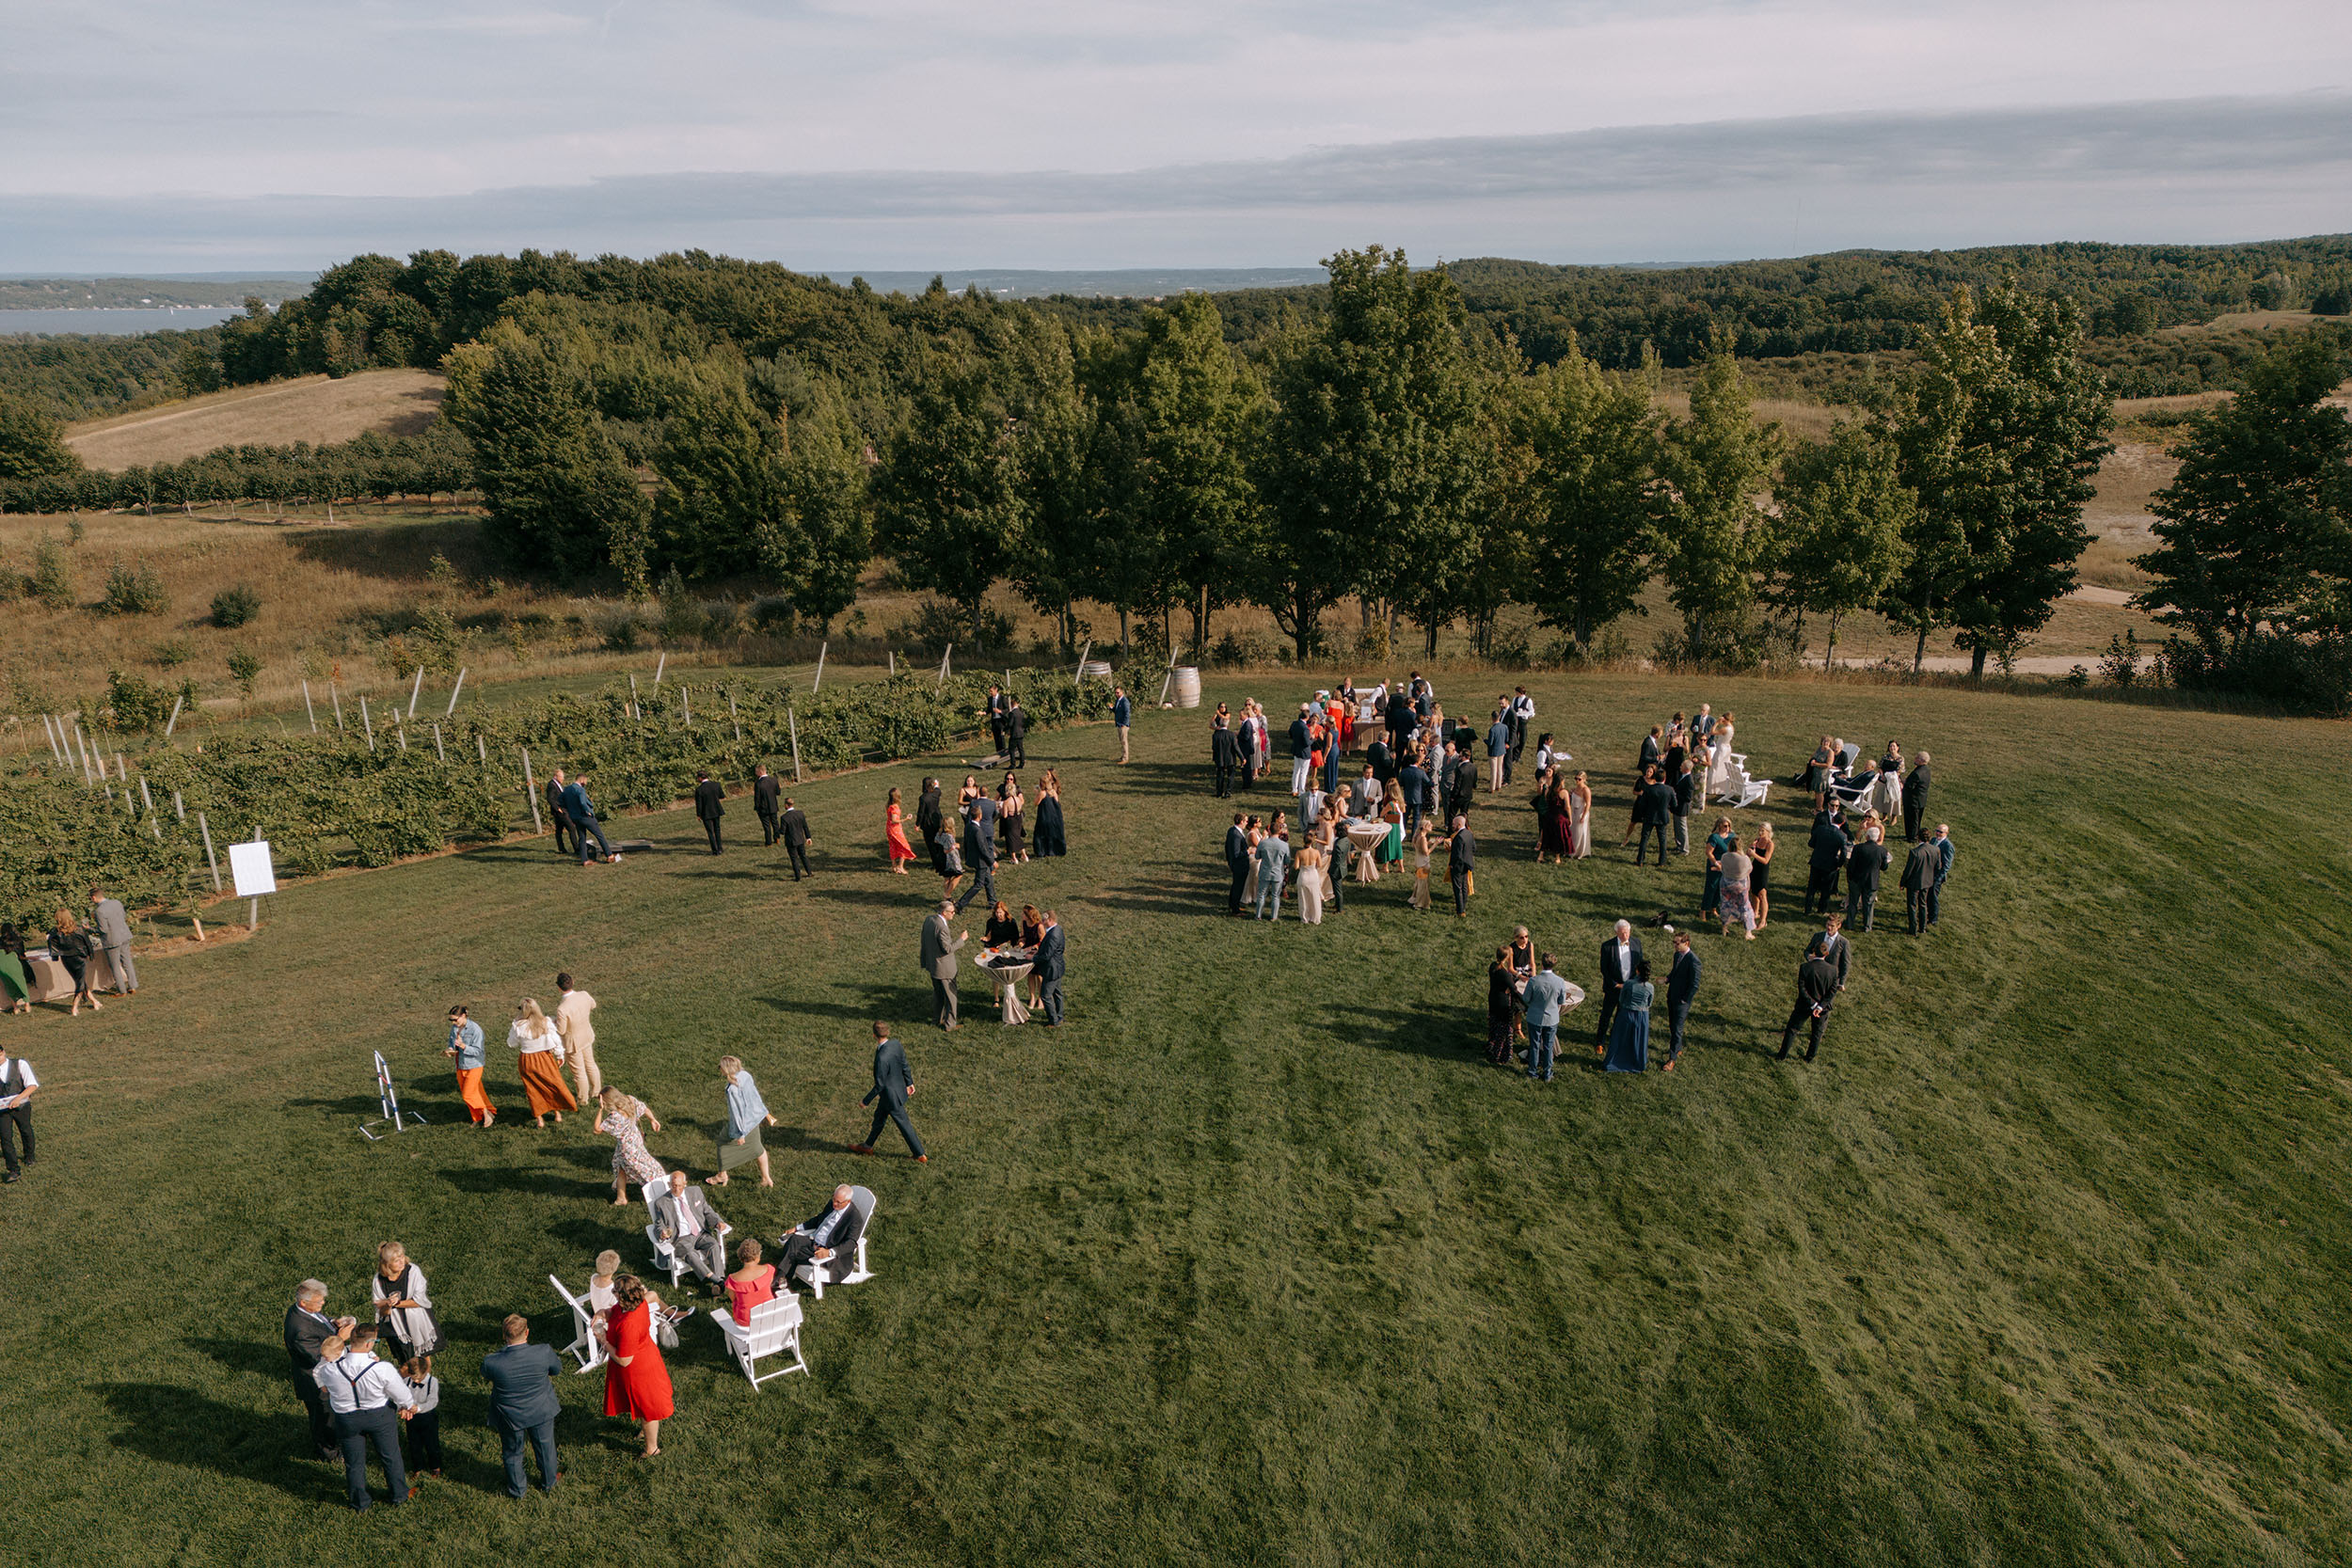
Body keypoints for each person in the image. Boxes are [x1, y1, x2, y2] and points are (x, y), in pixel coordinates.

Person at [313, 1324, 416, 1510]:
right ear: (369, 1344)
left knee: (354, 1463)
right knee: (390, 1456)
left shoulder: (329, 1369)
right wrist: (409, 1405)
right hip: (379, 1417)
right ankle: (399, 1495)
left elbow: (321, 1381)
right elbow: (400, 1392)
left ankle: (359, 1502)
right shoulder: (382, 1368)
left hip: (347, 1419)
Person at [482, 1314, 562, 1497]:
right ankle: (549, 1482)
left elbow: (486, 1375)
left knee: (512, 1452)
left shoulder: (492, 1361)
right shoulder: (543, 1352)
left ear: (504, 1335)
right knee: (545, 1447)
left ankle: (517, 1490)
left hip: (509, 1415)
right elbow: (556, 1369)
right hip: (541, 1409)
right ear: (527, 1332)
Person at [598, 1275, 675, 1459]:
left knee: (647, 1409)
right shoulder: (637, 1303)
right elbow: (615, 1311)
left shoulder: (629, 1324)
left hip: (639, 1371)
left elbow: (624, 1360)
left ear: (623, 1296)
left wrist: (603, 1340)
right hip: (645, 1358)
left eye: (615, 1290)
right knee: (641, 1405)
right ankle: (645, 1432)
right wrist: (602, 1312)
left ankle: (652, 1448)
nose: (612, 1292)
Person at [284, 1279, 353, 1460]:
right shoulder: (300, 1330)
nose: (322, 1303)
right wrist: (340, 1338)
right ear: (303, 1302)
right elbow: (320, 1356)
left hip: (322, 1376)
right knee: (324, 1417)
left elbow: (319, 1323)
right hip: (315, 1382)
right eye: (319, 1301)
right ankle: (329, 1453)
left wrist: (333, 1323)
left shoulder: (303, 1312)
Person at [651, 1168, 733, 1293]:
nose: (676, 1189)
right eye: (673, 1186)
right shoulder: (661, 1203)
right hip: (680, 1239)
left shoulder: (695, 1192)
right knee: (690, 1253)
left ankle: (718, 1282)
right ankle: (717, 1281)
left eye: (679, 1186)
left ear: (685, 1184)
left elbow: (707, 1210)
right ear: (669, 1185)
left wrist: (718, 1222)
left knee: (713, 1245)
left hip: (700, 1234)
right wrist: (662, 1233)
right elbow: (658, 1225)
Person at [852, 1021, 925, 1160]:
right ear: (888, 1032)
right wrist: (909, 1082)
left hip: (891, 1097)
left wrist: (865, 1101)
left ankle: (919, 1154)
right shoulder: (896, 1044)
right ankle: (867, 1146)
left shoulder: (881, 1058)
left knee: (904, 1124)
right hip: (894, 1092)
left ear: (874, 1035)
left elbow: (879, 1085)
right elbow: (904, 1063)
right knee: (879, 1118)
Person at [777, 1183, 866, 1290]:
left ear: (848, 1202)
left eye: (838, 1202)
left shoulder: (855, 1219)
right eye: (834, 1199)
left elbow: (851, 1243)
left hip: (828, 1251)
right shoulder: (832, 1204)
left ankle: (780, 1281)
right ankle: (781, 1279)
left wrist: (829, 1252)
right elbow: (819, 1219)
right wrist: (797, 1228)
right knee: (794, 1239)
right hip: (814, 1241)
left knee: (793, 1252)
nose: (834, 1204)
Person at [371, 1241, 441, 1371]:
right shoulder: (378, 1281)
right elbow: (382, 1313)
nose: (401, 1262)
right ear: (387, 1264)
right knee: (405, 1361)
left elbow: (420, 1301)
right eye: (396, 1260)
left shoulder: (413, 1271)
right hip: (397, 1327)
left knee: (424, 1355)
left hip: (417, 1318)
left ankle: (425, 1378)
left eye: (402, 1257)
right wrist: (387, 1304)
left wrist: (397, 1303)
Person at [508, 998, 576, 1128]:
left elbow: (512, 1043)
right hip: (544, 1058)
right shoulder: (546, 1022)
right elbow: (555, 1041)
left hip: (527, 1060)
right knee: (553, 1085)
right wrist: (560, 1055)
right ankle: (557, 1114)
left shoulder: (518, 1026)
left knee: (532, 1089)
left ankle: (540, 1119)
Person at [715, 1054, 778, 1187]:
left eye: (720, 1067)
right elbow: (754, 1095)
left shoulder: (732, 1089)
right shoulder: (745, 1075)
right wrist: (764, 1112)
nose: (719, 1069)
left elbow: (737, 1112)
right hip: (754, 1119)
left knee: (722, 1141)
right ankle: (766, 1178)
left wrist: (740, 1133)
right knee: (758, 1149)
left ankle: (722, 1175)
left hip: (743, 1125)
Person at [596, 1086, 667, 1204]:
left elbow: (597, 1129)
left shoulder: (615, 1116)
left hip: (627, 1147)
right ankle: (621, 1197)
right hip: (635, 1139)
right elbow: (644, 1109)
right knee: (621, 1168)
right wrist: (653, 1120)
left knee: (644, 1168)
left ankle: (661, 1187)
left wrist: (600, 1110)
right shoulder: (630, 1100)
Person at [1780, 954, 1840, 1062]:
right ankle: (1809, 1058)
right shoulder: (1833, 970)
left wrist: (1813, 1004)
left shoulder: (1805, 967)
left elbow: (1802, 988)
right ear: (1826, 954)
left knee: (1792, 1029)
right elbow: (1832, 991)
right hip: (1823, 1009)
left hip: (1804, 1005)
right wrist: (1821, 1006)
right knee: (1817, 1033)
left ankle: (1782, 1055)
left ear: (1815, 953)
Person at [1593, 920, 1643, 1052]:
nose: (1625, 936)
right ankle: (1600, 1041)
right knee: (1606, 1015)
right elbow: (1604, 969)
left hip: (1629, 988)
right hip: (1613, 988)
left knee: (1622, 1015)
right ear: (1616, 933)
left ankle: (1616, 1038)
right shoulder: (1607, 947)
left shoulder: (1637, 943)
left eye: (1627, 933)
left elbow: (1639, 965)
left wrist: (1633, 984)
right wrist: (1615, 984)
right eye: (1622, 934)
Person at [1522, 953, 1572, 1082]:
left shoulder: (1534, 981)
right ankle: (1547, 1073)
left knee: (1534, 1045)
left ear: (1542, 964)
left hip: (1534, 1017)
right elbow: (1561, 1000)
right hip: (1551, 1019)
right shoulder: (1560, 982)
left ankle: (1532, 1071)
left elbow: (1526, 999)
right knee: (1548, 1046)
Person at [444, 1005, 494, 1128]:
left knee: (468, 1094)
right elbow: (452, 1043)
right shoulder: (455, 1028)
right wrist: (450, 1049)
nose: (453, 1023)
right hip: (460, 1065)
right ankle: (477, 1117)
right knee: (477, 1092)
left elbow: (478, 1051)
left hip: (474, 1065)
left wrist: (463, 1046)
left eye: (455, 1019)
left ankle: (486, 1113)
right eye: (451, 1020)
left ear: (463, 1016)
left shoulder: (475, 1030)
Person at [555, 974, 602, 1103]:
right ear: (573, 982)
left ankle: (583, 1099)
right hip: (586, 1035)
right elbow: (593, 1005)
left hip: (573, 1043)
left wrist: (553, 1022)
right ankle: (596, 1092)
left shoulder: (562, 1009)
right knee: (591, 1064)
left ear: (559, 988)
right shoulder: (584, 995)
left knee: (579, 1072)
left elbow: (561, 1030)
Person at [920, 901, 967, 1030]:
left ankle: (936, 1020)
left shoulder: (929, 920)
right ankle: (950, 1025)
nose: (954, 914)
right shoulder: (942, 927)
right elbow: (947, 948)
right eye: (952, 912)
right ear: (944, 913)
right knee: (951, 997)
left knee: (938, 995)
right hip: (944, 969)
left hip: (933, 966)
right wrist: (961, 940)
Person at [45, 910, 101, 1014]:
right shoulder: (78, 929)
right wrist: (91, 955)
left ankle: (94, 1001)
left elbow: (52, 945)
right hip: (80, 958)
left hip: (66, 959)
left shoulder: (55, 932)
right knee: (80, 982)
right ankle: (74, 1007)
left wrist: (55, 957)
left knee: (80, 981)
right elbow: (87, 943)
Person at [1603, 957, 1653, 1073]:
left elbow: (1622, 999)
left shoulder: (1629, 984)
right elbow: (1649, 1003)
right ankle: (1637, 1062)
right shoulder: (1650, 987)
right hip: (1642, 1015)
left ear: (1637, 971)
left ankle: (1614, 1061)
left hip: (1626, 1013)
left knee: (1620, 1038)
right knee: (1638, 1039)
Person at [88, 886, 137, 995]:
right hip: (124, 935)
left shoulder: (99, 911)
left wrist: (89, 929)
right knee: (127, 962)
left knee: (115, 966)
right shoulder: (117, 902)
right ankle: (133, 986)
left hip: (112, 940)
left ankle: (121, 990)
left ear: (94, 898)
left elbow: (103, 930)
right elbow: (123, 916)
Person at [957, 788, 999, 913]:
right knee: (979, 884)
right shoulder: (978, 831)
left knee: (988, 880)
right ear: (980, 816)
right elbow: (984, 849)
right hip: (981, 861)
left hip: (975, 858)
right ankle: (960, 904)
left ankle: (993, 902)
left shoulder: (969, 827)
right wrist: (992, 862)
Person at [562, 773, 619, 865]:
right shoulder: (580, 789)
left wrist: (570, 810)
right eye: (586, 781)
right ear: (582, 780)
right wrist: (587, 811)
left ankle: (584, 860)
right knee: (599, 835)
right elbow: (582, 802)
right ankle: (609, 855)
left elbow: (561, 801)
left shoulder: (567, 789)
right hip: (585, 817)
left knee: (582, 838)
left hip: (575, 818)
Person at [401, 1355, 442, 1479]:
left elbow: (433, 1401)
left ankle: (435, 1467)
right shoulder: (407, 1381)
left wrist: (418, 1408)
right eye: (413, 1378)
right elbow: (400, 1396)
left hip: (428, 1417)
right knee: (414, 1443)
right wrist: (402, 1407)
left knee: (432, 1443)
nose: (416, 1381)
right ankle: (418, 1467)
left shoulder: (433, 1382)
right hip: (412, 1418)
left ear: (425, 1372)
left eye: (418, 1379)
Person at [1663, 932, 1701, 1070]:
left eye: (1678, 943)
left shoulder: (1694, 961)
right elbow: (1675, 972)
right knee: (1672, 1026)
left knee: (1677, 1029)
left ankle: (1672, 1059)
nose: (1675, 945)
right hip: (1672, 996)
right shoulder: (1677, 955)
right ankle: (1677, 1048)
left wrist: (1685, 1000)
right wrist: (1667, 979)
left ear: (1687, 943)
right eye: (1674, 942)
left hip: (1682, 1001)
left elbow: (1695, 984)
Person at [0, 1042, 35, 1184]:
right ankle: (13, 1170)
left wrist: (18, 1099)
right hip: (2, 1110)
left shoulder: (20, 1064)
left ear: (2, 1052)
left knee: (25, 1130)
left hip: (21, 1106)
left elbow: (32, 1085)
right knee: (5, 1137)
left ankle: (29, 1156)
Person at [1845, 823, 1890, 932]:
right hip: (1872, 881)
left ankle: (1850, 924)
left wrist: (1850, 877)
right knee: (1869, 906)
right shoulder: (1882, 851)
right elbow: (1884, 867)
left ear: (1867, 837)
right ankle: (1867, 926)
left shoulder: (1858, 848)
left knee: (1853, 903)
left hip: (1856, 880)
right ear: (1877, 838)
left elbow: (1851, 865)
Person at [1805, 808, 1849, 916]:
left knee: (1812, 888)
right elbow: (1843, 855)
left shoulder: (1820, 829)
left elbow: (1811, 843)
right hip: (1831, 865)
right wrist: (1839, 865)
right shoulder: (1842, 836)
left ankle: (1807, 909)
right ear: (1842, 823)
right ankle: (1822, 910)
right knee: (1826, 889)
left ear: (1833, 819)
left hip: (1816, 861)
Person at [724, 1238, 778, 1324]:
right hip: (769, 1314)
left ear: (740, 1257)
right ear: (757, 1256)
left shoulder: (733, 1279)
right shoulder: (769, 1270)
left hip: (745, 1320)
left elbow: (732, 1298)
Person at [1901, 833, 1943, 936]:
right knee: (1923, 904)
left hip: (1914, 883)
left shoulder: (1915, 852)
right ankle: (1922, 928)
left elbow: (1908, 870)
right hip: (1927, 881)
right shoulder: (1936, 849)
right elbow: (1938, 867)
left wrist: (1902, 882)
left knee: (1912, 905)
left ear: (1919, 838)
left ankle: (1913, 929)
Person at [1485, 947, 1518, 1067]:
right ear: (1507, 957)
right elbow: (1514, 990)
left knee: (1494, 1024)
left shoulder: (1493, 966)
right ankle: (1500, 1054)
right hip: (1503, 1003)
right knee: (1504, 1029)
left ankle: (1491, 1046)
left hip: (1493, 999)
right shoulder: (1505, 974)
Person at [1254, 816, 1292, 921]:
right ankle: (1273, 916)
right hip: (1278, 873)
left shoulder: (1263, 843)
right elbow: (1287, 861)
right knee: (1275, 896)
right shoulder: (1284, 845)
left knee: (1261, 894)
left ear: (1269, 831)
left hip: (1265, 872)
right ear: (1279, 831)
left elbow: (1257, 856)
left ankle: (1258, 915)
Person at [1033, 910, 1066, 1024]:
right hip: (1057, 968)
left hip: (1051, 970)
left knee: (1045, 996)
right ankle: (1059, 1016)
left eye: (1044, 920)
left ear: (1050, 920)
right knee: (1057, 994)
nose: (1041, 922)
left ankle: (1054, 1021)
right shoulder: (1058, 930)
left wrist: (1032, 958)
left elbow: (1047, 956)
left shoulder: (1053, 935)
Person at [1720, 835, 1756, 940]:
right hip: (1740, 886)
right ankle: (1748, 932)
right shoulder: (1744, 859)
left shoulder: (1724, 856)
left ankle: (1724, 927)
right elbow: (1749, 870)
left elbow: (1723, 868)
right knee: (1745, 907)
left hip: (1726, 885)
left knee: (1725, 905)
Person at [1807, 911, 1852, 991]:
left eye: (1832, 926)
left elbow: (1846, 964)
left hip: (1831, 980)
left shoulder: (1844, 943)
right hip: (1815, 976)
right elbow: (1807, 951)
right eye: (1828, 924)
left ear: (1839, 926)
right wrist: (1809, 956)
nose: (1829, 928)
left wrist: (1841, 983)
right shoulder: (1818, 936)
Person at [1700, 817, 1732, 923]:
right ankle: (1703, 911)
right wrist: (1716, 863)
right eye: (1725, 826)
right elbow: (1709, 852)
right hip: (1715, 866)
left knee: (1720, 888)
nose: (1727, 828)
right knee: (1711, 888)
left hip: (1726, 867)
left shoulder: (1732, 836)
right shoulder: (1714, 837)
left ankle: (1713, 908)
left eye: (1729, 826)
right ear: (1719, 826)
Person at [916, 778, 946, 877]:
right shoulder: (936, 793)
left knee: (931, 844)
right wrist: (937, 784)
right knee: (939, 842)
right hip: (937, 819)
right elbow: (938, 788)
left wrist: (917, 824)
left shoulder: (923, 798)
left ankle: (936, 864)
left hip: (928, 823)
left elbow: (921, 813)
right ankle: (942, 861)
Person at [1749, 823, 1776, 930]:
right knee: (1754, 892)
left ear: (1768, 832)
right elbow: (1749, 853)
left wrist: (1754, 854)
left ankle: (1763, 921)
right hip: (1754, 868)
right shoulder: (1757, 840)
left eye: (1762, 831)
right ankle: (1756, 912)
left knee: (1762, 894)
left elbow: (1765, 860)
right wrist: (1752, 848)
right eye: (1759, 830)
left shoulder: (1770, 844)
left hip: (1763, 871)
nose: (1760, 833)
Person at [1033, 770, 1068, 857]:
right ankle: (1053, 850)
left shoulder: (1042, 793)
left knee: (1040, 834)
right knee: (1051, 834)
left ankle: (1041, 851)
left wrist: (1037, 793)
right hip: (1054, 817)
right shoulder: (1053, 792)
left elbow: (1035, 803)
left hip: (1044, 817)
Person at [1223, 814, 1251, 916]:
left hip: (1236, 864)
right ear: (1241, 821)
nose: (1247, 823)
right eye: (1246, 821)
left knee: (1236, 885)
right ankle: (1235, 909)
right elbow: (1236, 853)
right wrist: (1248, 851)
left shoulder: (1232, 830)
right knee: (1238, 887)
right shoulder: (1236, 834)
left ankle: (1233, 905)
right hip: (1239, 865)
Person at [779, 796, 814, 880]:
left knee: (794, 859)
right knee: (803, 856)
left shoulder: (784, 817)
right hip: (800, 839)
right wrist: (808, 837)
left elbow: (782, 832)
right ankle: (809, 872)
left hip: (791, 841)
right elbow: (805, 826)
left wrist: (777, 831)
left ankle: (798, 877)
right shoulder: (800, 813)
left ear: (787, 805)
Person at [1448, 815, 1475, 917]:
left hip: (1458, 866)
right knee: (1464, 886)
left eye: (1454, 824)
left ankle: (1460, 911)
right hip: (1467, 864)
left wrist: (1452, 865)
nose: (1452, 826)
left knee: (1457, 887)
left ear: (1459, 825)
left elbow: (1457, 855)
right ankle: (1463, 906)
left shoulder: (1458, 837)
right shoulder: (1469, 833)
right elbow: (1474, 848)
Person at [998, 771, 1027, 865]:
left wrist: (1001, 809)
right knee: (1018, 837)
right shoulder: (1018, 799)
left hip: (1010, 821)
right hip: (1018, 818)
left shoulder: (1007, 802)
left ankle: (1014, 858)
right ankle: (1024, 855)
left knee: (1011, 839)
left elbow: (1005, 815)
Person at [0, 922, 29, 1013]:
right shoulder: (17, 940)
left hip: (2, 965)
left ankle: (15, 1008)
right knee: (21, 983)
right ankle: (27, 1005)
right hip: (14, 963)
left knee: (8, 985)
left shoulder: (1, 940)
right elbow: (21, 956)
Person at [545, 768, 576, 856]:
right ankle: (576, 848)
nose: (563, 778)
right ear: (556, 776)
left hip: (561, 810)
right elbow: (550, 798)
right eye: (561, 777)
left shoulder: (557, 784)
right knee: (571, 828)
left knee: (559, 830)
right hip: (560, 812)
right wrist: (557, 808)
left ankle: (561, 849)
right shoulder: (552, 785)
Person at [1903, 752, 1933, 842]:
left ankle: (1912, 837)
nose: (1915, 759)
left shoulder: (1917, 773)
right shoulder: (1926, 770)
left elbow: (1910, 786)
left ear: (1922, 760)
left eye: (1917, 758)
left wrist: (1904, 782)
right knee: (1917, 819)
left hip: (1912, 800)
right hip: (1921, 799)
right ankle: (1915, 834)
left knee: (1911, 819)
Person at [1929, 823, 1954, 926]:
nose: (1938, 833)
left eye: (1941, 832)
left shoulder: (1948, 846)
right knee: (1927, 895)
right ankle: (1927, 913)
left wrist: (1939, 878)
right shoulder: (1933, 840)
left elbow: (1947, 865)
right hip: (1929, 873)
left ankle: (1933, 918)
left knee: (1933, 896)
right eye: (1937, 831)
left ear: (1946, 833)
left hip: (1937, 876)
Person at [1295, 840, 1326, 925]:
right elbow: (1319, 865)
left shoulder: (1299, 852)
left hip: (1303, 876)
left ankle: (1305, 917)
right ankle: (1315, 917)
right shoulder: (1316, 852)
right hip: (1313, 876)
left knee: (1303, 898)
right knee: (1315, 897)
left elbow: (1296, 866)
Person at [753, 763, 783, 846]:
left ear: (760, 772)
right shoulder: (774, 780)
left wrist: (757, 807)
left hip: (763, 807)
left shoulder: (758, 784)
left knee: (766, 826)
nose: (756, 774)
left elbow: (757, 798)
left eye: (756, 772)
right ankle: (777, 838)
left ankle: (768, 842)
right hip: (773, 805)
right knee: (775, 823)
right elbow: (778, 792)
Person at [1567, 770, 1594, 860]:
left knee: (1579, 833)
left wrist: (1583, 816)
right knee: (1573, 831)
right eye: (1576, 778)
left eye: (1579, 779)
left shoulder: (1586, 790)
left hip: (1581, 812)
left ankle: (1578, 852)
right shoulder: (1575, 788)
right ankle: (1571, 849)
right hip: (1574, 811)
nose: (1577, 781)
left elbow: (1588, 804)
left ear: (1584, 779)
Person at [1407, 824, 1434, 912]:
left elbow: (1421, 847)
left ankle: (1415, 899)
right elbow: (1426, 852)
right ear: (1424, 827)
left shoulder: (1418, 837)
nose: (1432, 825)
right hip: (1423, 864)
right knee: (1423, 885)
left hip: (1418, 863)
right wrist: (1435, 844)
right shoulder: (1423, 838)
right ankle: (1420, 903)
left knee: (1419, 883)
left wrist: (1428, 843)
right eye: (1429, 825)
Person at [1003, 695, 1028, 768]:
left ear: (1012, 705)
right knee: (1021, 749)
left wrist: (1005, 729)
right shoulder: (1021, 713)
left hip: (1014, 734)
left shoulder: (1012, 713)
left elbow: (1010, 724)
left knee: (1011, 749)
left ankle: (1013, 764)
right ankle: (1022, 764)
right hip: (1020, 733)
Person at [1112, 685, 1133, 763]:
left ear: (1122, 692)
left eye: (1118, 692)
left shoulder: (1125, 701)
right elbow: (1117, 711)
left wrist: (1125, 723)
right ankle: (1123, 756)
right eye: (1115, 693)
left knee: (1124, 741)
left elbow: (1127, 713)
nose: (1116, 694)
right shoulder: (1118, 700)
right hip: (1119, 724)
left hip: (1123, 725)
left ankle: (1125, 758)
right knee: (1121, 741)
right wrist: (1112, 708)